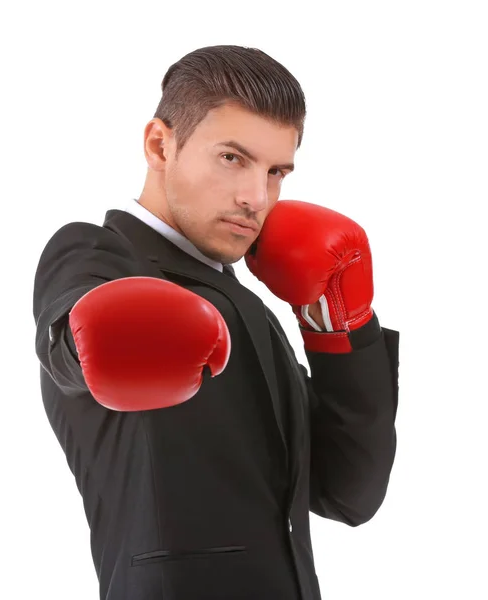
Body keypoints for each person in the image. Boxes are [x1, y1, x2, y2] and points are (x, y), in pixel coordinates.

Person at [32, 44, 400, 600]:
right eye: (233, 157)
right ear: (161, 144)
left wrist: (339, 327)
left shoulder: (249, 309)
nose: (257, 198)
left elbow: (348, 493)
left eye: (276, 171)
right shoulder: (97, 255)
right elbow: (69, 339)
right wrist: (91, 338)